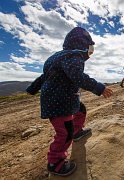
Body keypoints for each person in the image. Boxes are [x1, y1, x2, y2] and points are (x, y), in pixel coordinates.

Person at [26, 27, 113, 176]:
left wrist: (32, 89)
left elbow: (43, 77)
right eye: (90, 50)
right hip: (59, 103)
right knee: (65, 132)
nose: (89, 55)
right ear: (82, 46)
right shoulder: (74, 56)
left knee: (81, 110)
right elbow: (78, 76)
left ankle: (77, 132)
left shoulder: (55, 57)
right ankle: (55, 162)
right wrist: (99, 88)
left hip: (65, 98)